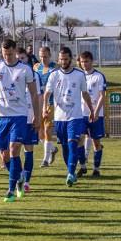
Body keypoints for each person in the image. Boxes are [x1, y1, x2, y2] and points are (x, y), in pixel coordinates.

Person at [0, 39, 40, 202]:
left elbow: (34, 94)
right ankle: (19, 177)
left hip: (19, 116)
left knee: (14, 150)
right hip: (0, 117)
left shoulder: (25, 69)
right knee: (4, 155)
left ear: (15, 51)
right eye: (4, 54)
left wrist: (36, 115)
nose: (6, 57)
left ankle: (10, 189)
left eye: (9, 54)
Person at [42, 46, 92, 188]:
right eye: (61, 59)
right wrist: (45, 108)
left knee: (73, 143)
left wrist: (92, 110)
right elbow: (47, 94)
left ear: (70, 58)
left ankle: (70, 173)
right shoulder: (54, 75)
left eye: (65, 59)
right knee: (65, 147)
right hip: (59, 117)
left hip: (75, 117)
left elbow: (85, 94)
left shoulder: (79, 74)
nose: (63, 62)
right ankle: (71, 170)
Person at [77, 51, 107, 177]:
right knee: (79, 140)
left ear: (92, 61)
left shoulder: (99, 76)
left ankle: (96, 168)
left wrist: (95, 112)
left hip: (95, 114)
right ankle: (83, 167)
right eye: (82, 61)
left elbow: (102, 96)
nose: (84, 64)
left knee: (96, 142)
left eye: (86, 61)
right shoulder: (78, 76)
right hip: (80, 114)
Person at [16, 47, 42, 193]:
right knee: (15, 150)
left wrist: (37, 116)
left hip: (30, 118)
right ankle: (19, 177)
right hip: (17, 118)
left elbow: (38, 96)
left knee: (29, 150)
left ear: (28, 59)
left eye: (23, 58)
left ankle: (27, 181)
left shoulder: (34, 76)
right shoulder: (12, 74)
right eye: (18, 58)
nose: (21, 61)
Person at [34, 46, 58, 167]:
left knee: (48, 130)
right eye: (41, 57)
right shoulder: (36, 67)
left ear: (50, 56)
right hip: (38, 104)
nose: (43, 59)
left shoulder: (56, 68)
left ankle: (45, 159)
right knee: (39, 131)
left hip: (51, 103)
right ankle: (52, 149)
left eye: (45, 57)